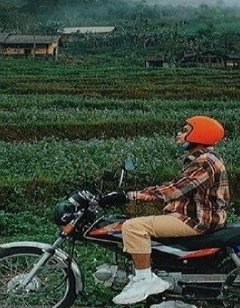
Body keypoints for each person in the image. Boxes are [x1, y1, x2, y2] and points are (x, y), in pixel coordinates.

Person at [98, 115, 230, 305]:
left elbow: (173, 191)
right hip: (191, 215)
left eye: (185, 130)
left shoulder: (205, 161)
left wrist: (129, 196)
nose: (179, 134)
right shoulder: (201, 158)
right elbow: (175, 186)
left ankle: (145, 280)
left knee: (133, 227)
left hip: (196, 220)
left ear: (199, 134)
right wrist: (136, 193)